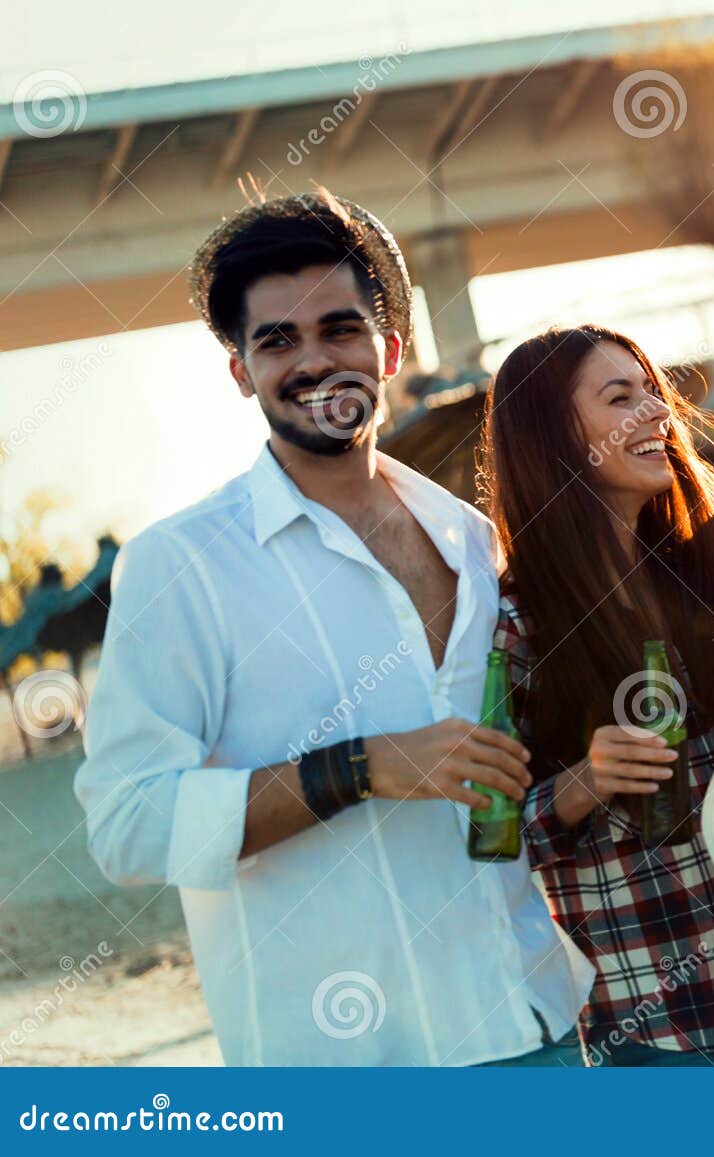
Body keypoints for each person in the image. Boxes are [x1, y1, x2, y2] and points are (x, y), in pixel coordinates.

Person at [75, 189, 594, 1066]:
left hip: (533, 1020)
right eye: (277, 340)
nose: (314, 361)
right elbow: (126, 822)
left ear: (389, 349)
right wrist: (360, 767)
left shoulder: (470, 538)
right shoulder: (180, 566)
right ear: (240, 371)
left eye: (340, 329)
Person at [484, 325, 714, 1067]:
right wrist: (586, 781)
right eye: (620, 397)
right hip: (662, 1031)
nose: (658, 411)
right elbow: (493, 840)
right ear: (552, 435)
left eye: (653, 390)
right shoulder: (516, 623)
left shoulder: (709, 565)